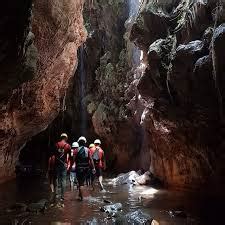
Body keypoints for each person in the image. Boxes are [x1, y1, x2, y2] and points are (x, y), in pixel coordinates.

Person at [73, 136, 95, 201]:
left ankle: (82, 198)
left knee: (80, 183)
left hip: (79, 168)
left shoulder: (76, 150)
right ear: (85, 142)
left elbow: (74, 160)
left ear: (79, 142)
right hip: (86, 168)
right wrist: (93, 168)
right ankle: (80, 195)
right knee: (82, 182)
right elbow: (91, 159)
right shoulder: (87, 150)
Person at [55, 133, 71, 205]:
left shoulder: (56, 144)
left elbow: (54, 154)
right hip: (64, 164)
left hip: (57, 164)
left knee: (56, 178)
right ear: (66, 138)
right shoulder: (68, 146)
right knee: (63, 180)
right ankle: (62, 196)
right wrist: (69, 164)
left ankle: (56, 194)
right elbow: (70, 156)